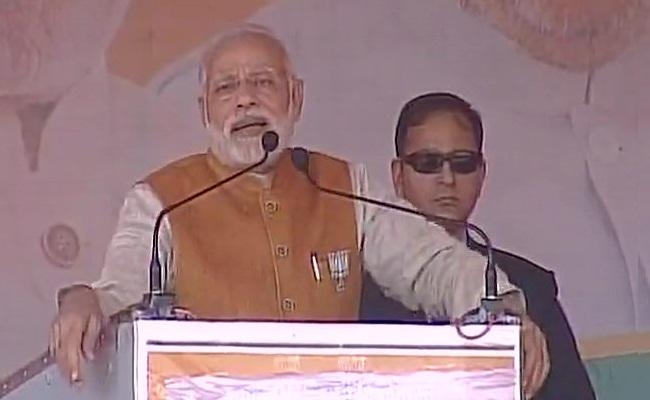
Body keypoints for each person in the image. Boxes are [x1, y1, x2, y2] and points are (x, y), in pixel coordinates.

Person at [48, 25, 548, 397]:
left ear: (296, 97)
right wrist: (84, 302)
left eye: (263, 82)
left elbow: (432, 264)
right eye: (226, 87)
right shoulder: (161, 201)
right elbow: (118, 295)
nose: (245, 99)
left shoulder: (344, 186)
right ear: (205, 111)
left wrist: (503, 311)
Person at [360, 92, 595, 399]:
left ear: (482, 174)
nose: (447, 179)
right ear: (398, 175)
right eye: (428, 163)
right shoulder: (358, 290)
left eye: (463, 163)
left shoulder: (528, 287)